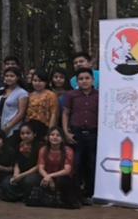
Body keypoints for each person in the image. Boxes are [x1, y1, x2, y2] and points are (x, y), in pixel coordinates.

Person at [61, 68, 99, 200]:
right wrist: (66, 132)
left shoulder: (99, 95)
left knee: (91, 163)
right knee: (76, 163)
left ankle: (90, 193)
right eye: (81, 79)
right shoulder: (71, 95)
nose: (84, 81)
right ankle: (75, 193)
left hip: (94, 135)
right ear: (77, 81)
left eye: (87, 78)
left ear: (93, 80)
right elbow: (65, 113)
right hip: (76, 134)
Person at [35, 126, 81, 208]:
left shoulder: (68, 150)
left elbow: (67, 170)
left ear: (62, 138)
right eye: (52, 135)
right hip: (46, 176)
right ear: (48, 137)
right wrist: (47, 177)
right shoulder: (43, 149)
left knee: (63, 181)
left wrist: (50, 176)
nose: (55, 137)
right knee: (31, 180)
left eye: (58, 135)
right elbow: (41, 168)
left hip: (63, 177)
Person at [0, 67, 29, 139]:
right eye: (7, 76)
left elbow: (21, 113)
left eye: (12, 76)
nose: (9, 78)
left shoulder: (22, 93)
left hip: (12, 128)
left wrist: (9, 126)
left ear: (17, 77)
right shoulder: (1, 90)